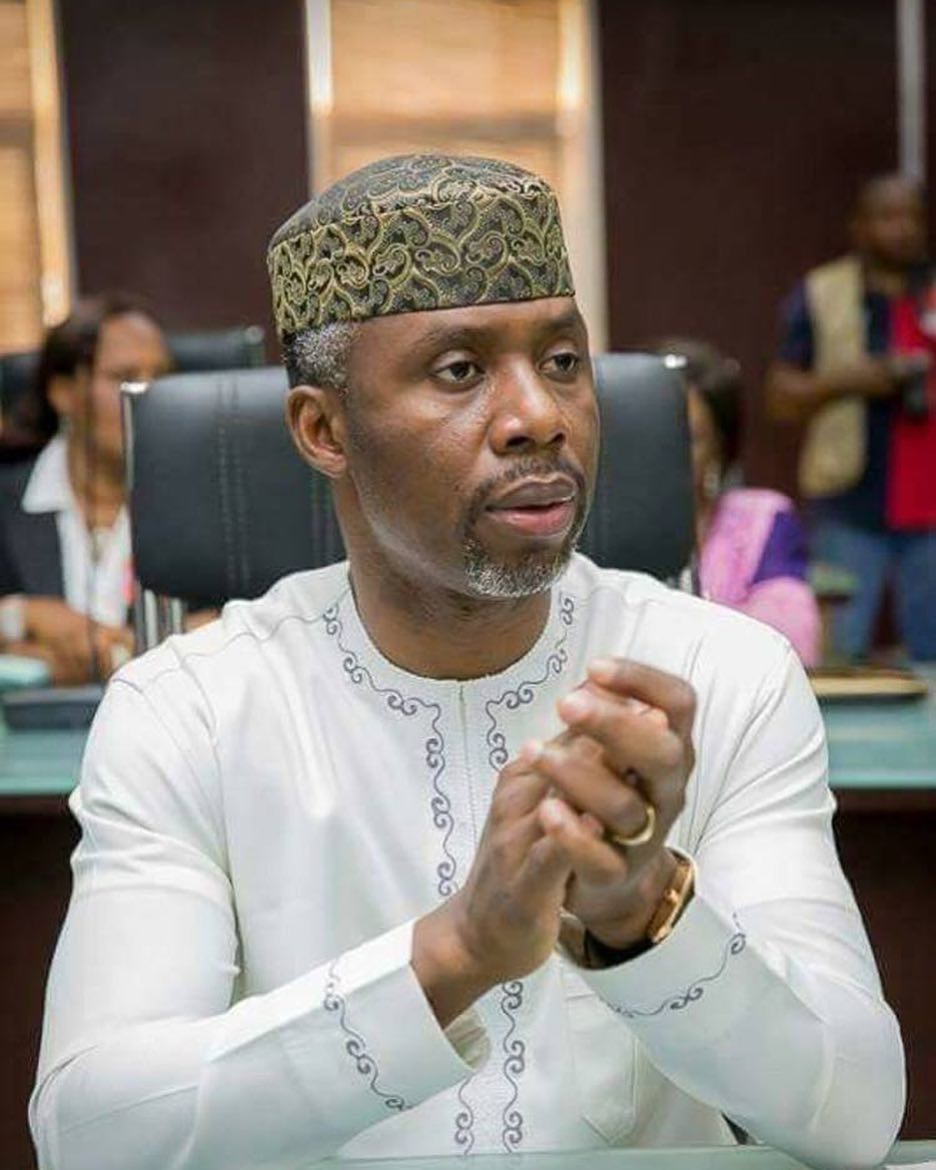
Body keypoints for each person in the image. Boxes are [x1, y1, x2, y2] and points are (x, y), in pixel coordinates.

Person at [31, 155, 902, 1170]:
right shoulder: (189, 708)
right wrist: (453, 954)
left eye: (564, 360)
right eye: (459, 370)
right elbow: (90, 1137)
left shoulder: (719, 673)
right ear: (324, 429)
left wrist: (642, 914)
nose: (541, 416)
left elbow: (855, 1115)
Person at [767, 173, 936, 662]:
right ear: (859, 226)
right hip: (850, 505)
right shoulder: (823, 292)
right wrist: (854, 380)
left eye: (913, 217)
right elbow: (781, 395)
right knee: (840, 653)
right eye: (887, 217)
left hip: (931, 510)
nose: (902, 229)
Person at [0, 294, 171, 683]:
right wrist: (22, 616)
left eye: (160, 376)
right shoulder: (5, 500)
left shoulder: (204, 500)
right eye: (125, 376)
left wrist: (116, 653)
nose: (147, 394)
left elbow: (237, 617)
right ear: (63, 393)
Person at [655, 338, 820, 666]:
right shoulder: (592, 529)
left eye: (691, 439)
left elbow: (793, 643)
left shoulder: (765, 519)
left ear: (719, 448)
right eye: (654, 435)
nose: (667, 454)